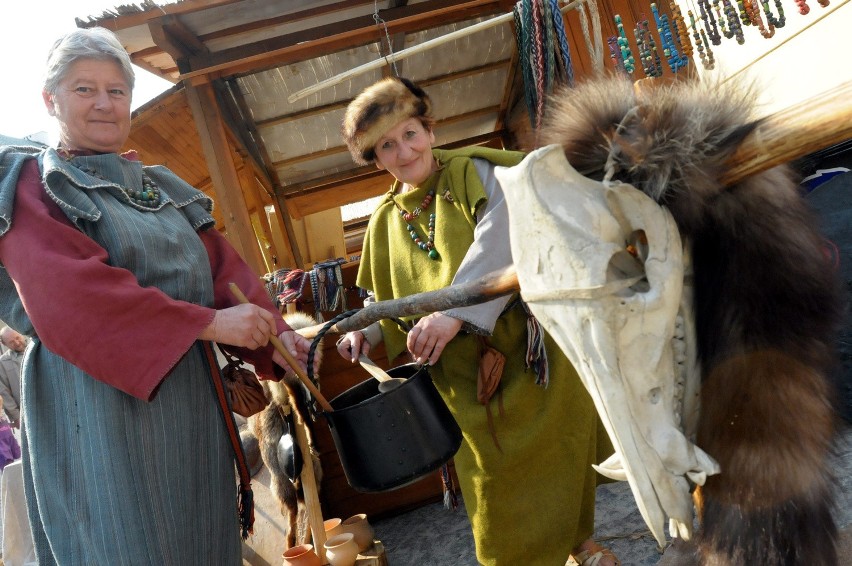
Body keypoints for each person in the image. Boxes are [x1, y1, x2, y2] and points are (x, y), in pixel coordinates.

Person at [0, 27, 311, 565]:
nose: (104, 103)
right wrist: (207, 326)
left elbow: (224, 272)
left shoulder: (160, 188)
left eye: (116, 90)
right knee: (129, 546)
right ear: (51, 100)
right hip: (94, 405)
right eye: (84, 89)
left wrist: (280, 342)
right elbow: (70, 295)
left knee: (202, 537)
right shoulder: (35, 183)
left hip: (189, 401)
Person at [336, 76, 619, 566]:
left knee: (561, 455)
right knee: (495, 482)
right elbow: (392, 303)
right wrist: (365, 334)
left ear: (427, 128)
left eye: (410, 133)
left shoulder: (475, 171)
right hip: (464, 382)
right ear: (375, 159)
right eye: (387, 145)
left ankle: (579, 542)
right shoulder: (383, 223)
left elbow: (504, 237)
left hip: (529, 355)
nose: (405, 151)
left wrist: (452, 314)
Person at [0, 326, 27, 428]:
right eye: (11, 342)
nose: (16, 343)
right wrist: (16, 416)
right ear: (4, 344)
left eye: (17, 338)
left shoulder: (41, 349)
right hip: (27, 412)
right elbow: (4, 392)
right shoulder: (3, 363)